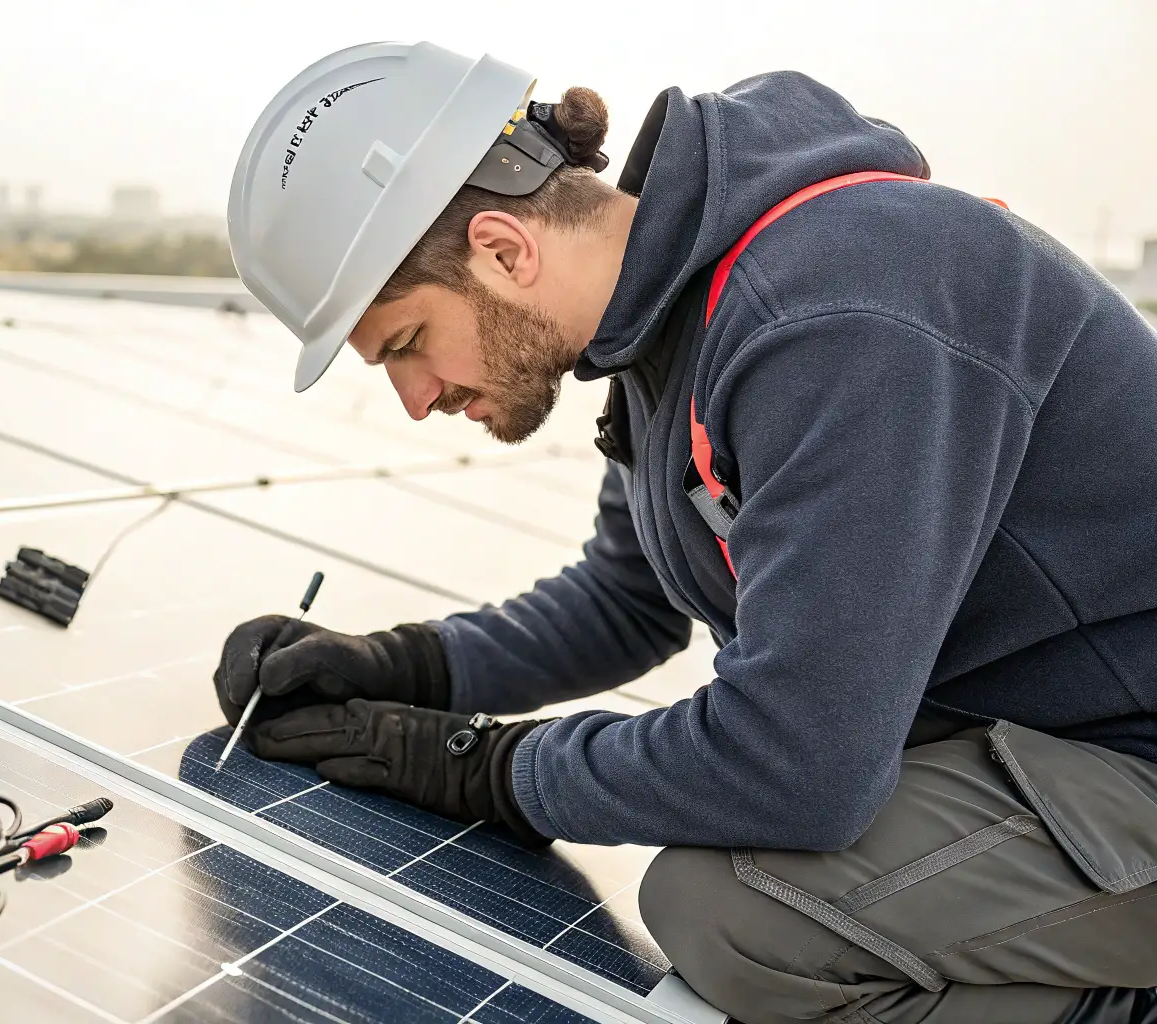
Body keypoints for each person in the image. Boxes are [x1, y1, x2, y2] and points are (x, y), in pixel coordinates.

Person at [215, 41, 1157, 1024]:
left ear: (502, 249)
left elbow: (796, 765)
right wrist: (402, 667)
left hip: (1128, 763)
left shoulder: (835, 311)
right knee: (731, 886)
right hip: (1037, 754)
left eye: (406, 344)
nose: (415, 399)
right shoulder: (667, 331)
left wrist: (482, 768)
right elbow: (623, 603)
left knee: (734, 912)